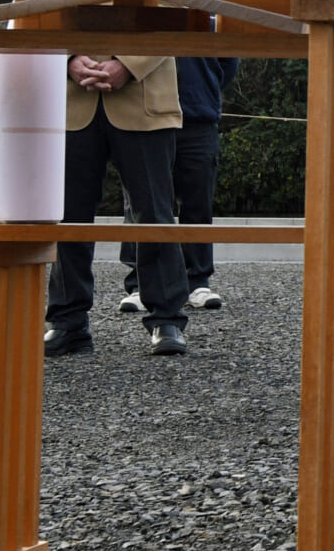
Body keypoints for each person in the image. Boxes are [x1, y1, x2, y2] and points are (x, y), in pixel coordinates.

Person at [47, 54, 190, 357]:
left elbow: (175, 8)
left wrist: (129, 63)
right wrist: (68, 58)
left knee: (154, 212)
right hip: (71, 98)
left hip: (145, 94)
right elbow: (40, 10)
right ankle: (68, 319)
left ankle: (166, 317)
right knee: (68, 215)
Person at [119, 43, 239, 315]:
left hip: (199, 114)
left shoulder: (209, 8)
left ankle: (197, 281)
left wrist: (206, 88)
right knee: (143, 200)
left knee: (198, 200)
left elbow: (229, 59)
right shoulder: (149, 6)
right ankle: (140, 283)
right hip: (148, 113)